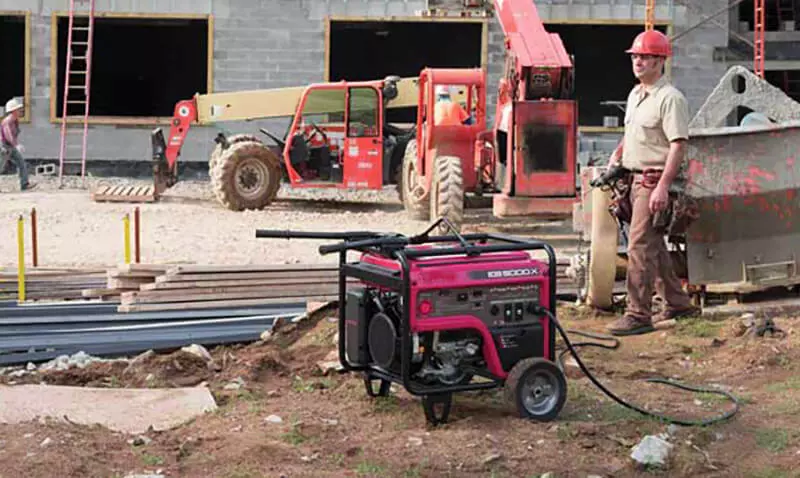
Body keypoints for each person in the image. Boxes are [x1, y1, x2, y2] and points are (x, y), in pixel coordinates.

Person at [605, 30, 698, 336]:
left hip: (653, 181)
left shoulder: (670, 99)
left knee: (639, 247)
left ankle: (638, 314)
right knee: (653, 247)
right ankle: (678, 303)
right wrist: (617, 156)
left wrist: (662, 187)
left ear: (661, 61)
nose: (638, 61)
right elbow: (632, 134)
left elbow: (677, 144)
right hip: (633, 180)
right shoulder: (635, 95)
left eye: (645, 56)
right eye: (635, 56)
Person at [1, 97, 34, 191]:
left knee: (21, 163)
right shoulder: (7, 121)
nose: (21, 111)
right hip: (4, 147)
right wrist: (16, 145)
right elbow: (8, 135)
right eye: (19, 109)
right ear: (13, 111)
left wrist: (15, 145)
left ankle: (24, 184)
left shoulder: (15, 120)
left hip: (11, 146)